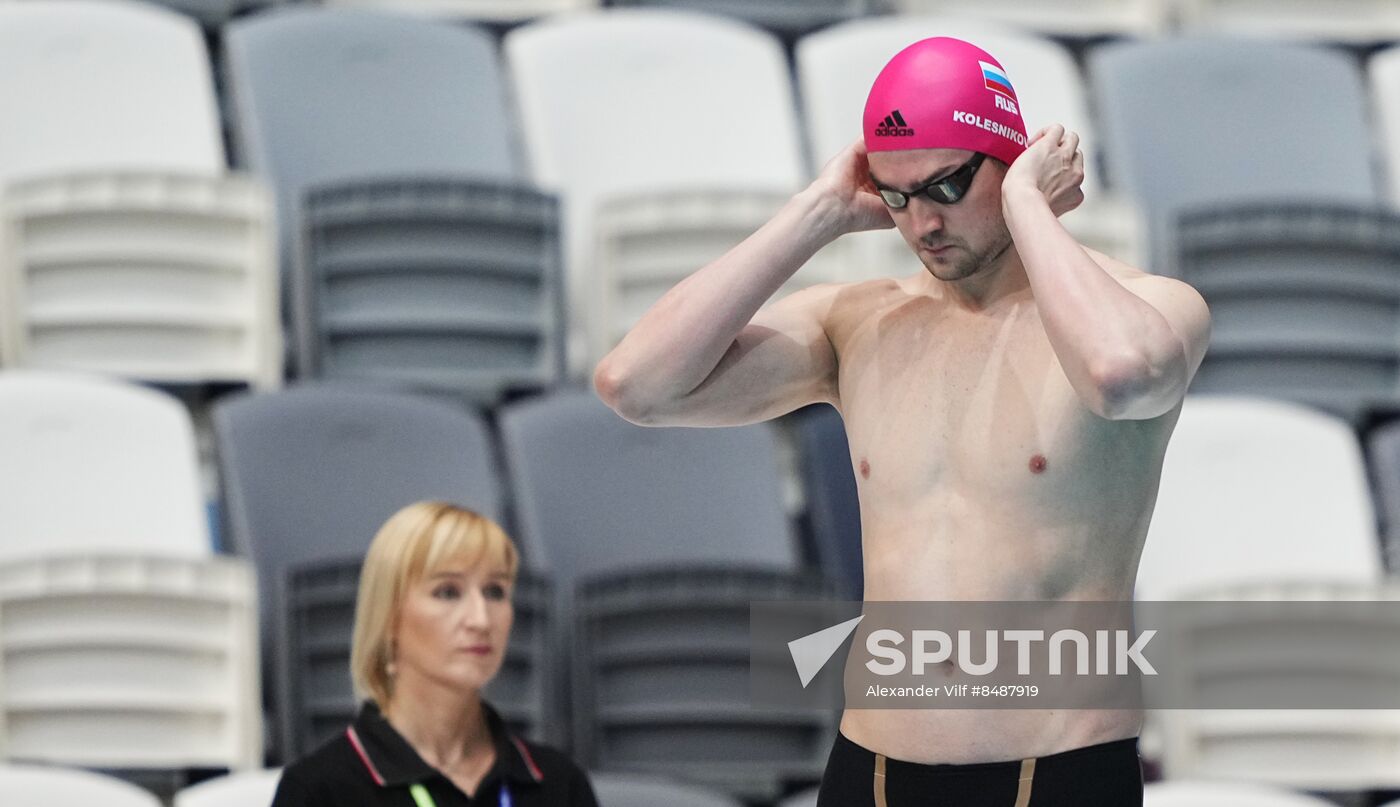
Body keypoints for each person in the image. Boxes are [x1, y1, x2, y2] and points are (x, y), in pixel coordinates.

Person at [594, 37, 1210, 806]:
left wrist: (1027, 206)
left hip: (1054, 774)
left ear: (1013, 158)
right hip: (872, 773)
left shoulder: (1153, 307)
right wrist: (816, 212)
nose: (923, 223)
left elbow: (1120, 375)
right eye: (896, 197)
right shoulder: (859, 324)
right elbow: (636, 385)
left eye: (948, 185)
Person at [272, 501, 599, 807]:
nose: (481, 620)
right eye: (448, 592)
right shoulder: (320, 790)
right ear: (388, 616)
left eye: (495, 591)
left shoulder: (559, 782)